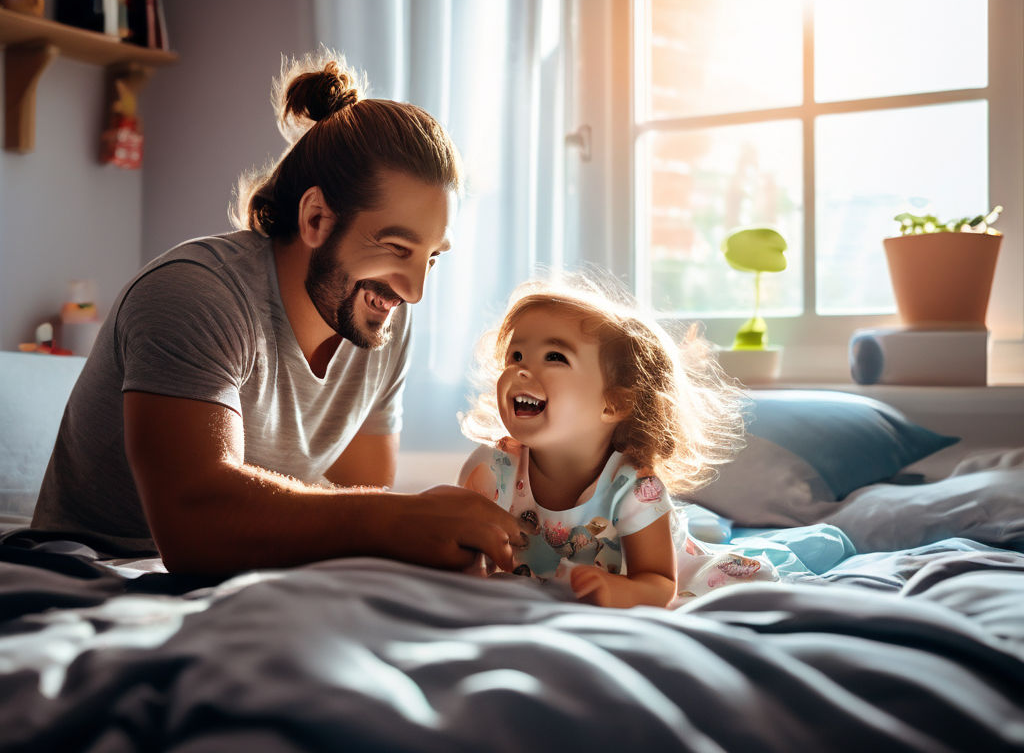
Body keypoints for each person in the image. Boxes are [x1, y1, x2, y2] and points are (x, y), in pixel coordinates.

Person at [29, 49, 528, 575]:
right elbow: (191, 529)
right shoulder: (194, 297)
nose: (415, 291)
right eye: (396, 248)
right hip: (100, 566)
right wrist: (401, 520)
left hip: (253, 575)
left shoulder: (377, 322)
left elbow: (355, 497)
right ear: (315, 218)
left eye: (431, 258)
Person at [457, 274, 776, 608]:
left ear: (614, 404)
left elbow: (659, 583)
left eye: (554, 357)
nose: (520, 371)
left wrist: (617, 591)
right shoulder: (491, 470)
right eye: (516, 356)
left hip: (660, 573)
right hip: (536, 592)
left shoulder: (634, 489)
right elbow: (463, 550)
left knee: (744, 589)